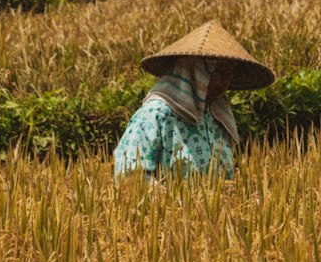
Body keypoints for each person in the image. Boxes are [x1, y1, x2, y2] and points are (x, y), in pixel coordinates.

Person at [113, 19, 274, 180]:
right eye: (218, 73)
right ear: (195, 72)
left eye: (229, 74)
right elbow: (129, 175)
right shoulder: (156, 114)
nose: (225, 82)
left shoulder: (216, 116)